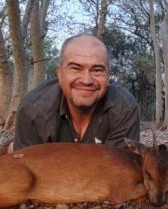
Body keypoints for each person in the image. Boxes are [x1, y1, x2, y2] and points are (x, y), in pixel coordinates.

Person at [12, 33, 140, 151]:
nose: (86, 80)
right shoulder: (32, 110)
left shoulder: (124, 108)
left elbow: (118, 171)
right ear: (60, 73)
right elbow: (26, 169)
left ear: (108, 76)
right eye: (75, 68)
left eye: (97, 70)